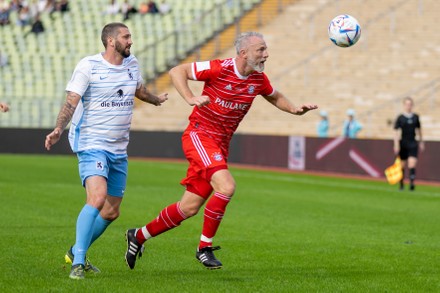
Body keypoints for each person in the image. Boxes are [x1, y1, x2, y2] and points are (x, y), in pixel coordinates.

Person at [124, 31, 318, 270]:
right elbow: (177, 71)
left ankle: (139, 235)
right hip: (200, 135)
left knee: (189, 208)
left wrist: (295, 109)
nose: (266, 54)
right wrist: (190, 97)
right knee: (227, 186)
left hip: (220, 145)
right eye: (261, 50)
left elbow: (274, 96)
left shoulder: (258, 79)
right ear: (243, 53)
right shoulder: (219, 68)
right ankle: (204, 248)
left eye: (266, 49)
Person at [44, 22, 168, 280]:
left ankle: (76, 249)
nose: (130, 41)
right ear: (111, 41)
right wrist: (58, 128)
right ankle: (78, 263)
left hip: (119, 147)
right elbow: (71, 101)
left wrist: (155, 99)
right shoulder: (88, 66)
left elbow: (138, 89)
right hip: (91, 143)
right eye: (126, 36)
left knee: (112, 211)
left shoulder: (132, 64)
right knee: (97, 199)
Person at [393, 97, 423, 191]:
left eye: (410, 104)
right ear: (404, 105)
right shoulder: (400, 118)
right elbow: (396, 131)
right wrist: (396, 144)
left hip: (413, 143)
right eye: (407, 104)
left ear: (412, 105)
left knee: (412, 164)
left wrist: (421, 141)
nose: (408, 106)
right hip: (403, 143)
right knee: (402, 165)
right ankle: (401, 184)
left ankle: (411, 184)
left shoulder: (415, 117)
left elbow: (419, 130)